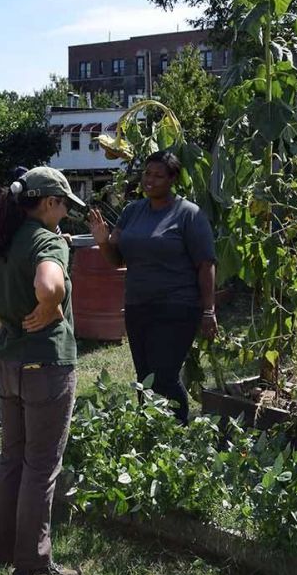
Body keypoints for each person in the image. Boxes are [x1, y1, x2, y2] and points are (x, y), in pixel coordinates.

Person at [0, 166, 85, 575]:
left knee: (12, 459)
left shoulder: (1, 241)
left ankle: (5, 551)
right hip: (46, 366)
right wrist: (51, 302)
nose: (64, 214)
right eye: (63, 205)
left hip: (8, 363)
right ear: (48, 202)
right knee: (41, 465)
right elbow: (49, 286)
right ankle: (32, 562)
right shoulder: (46, 241)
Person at [87, 150, 217, 424]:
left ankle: (178, 431)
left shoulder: (187, 214)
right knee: (144, 377)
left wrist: (209, 311)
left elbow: (206, 264)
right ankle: (151, 432)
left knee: (165, 376)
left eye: (159, 175)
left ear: (172, 179)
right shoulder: (132, 212)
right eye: (148, 173)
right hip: (138, 306)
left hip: (177, 307)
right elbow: (116, 259)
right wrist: (102, 241)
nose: (150, 180)